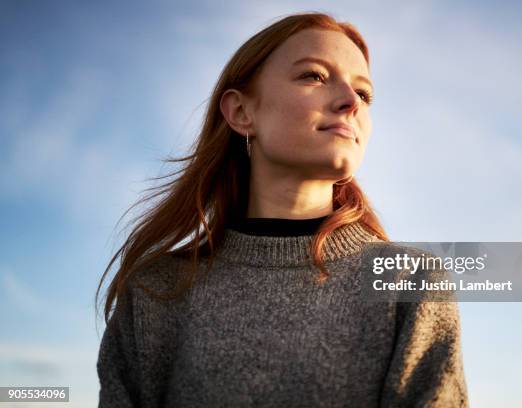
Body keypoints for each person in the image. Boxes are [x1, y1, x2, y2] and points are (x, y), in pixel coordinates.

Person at [95, 11, 469, 407]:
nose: (350, 103)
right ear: (241, 112)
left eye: (364, 94)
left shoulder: (409, 283)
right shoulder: (156, 291)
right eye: (314, 76)